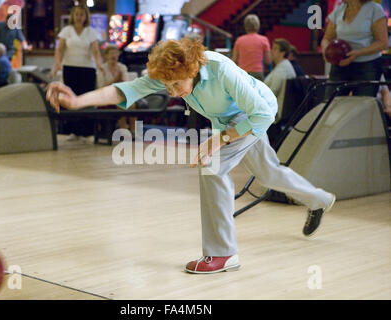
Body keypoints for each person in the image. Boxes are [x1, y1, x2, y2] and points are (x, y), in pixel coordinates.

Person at [46, 38, 336, 274]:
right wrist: (77, 100)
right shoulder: (172, 72)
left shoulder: (222, 70)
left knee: (212, 165)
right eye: (168, 86)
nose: (173, 91)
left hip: (254, 115)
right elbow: (127, 90)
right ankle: (320, 199)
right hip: (228, 122)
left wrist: (219, 139)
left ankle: (222, 254)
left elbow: (262, 116)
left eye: (176, 85)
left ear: (194, 68)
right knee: (268, 174)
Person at [53, 4, 105, 140]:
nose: (79, 17)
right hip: (70, 68)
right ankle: (71, 130)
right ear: (73, 16)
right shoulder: (66, 30)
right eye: (77, 14)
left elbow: (95, 50)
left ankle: (86, 131)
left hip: (87, 69)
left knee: (85, 98)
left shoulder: (91, 32)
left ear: (86, 17)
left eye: (82, 14)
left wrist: (99, 64)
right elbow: (60, 49)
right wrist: (57, 63)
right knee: (71, 98)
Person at [322, 0, 388, 98]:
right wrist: (326, 52)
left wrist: (358, 53)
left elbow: (383, 43)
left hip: (367, 67)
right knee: (330, 103)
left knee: (363, 106)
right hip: (340, 66)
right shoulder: (339, 10)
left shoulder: (375, 9)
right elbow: (327, 38)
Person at [97, 45, 136, 133]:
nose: (114, 56)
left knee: (131, 103)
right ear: (106, 55)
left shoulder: (122, 67)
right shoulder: (101, 69)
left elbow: (126, 84)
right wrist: (115, 80)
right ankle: (124, 129)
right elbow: (101, 87)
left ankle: (133, 131)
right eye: (111, 53)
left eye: (116, 53)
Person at [231, 14, 272, 81]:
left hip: (242, 73)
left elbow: (234, 59)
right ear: (258, 25)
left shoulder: (239, 40)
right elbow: (268, 61)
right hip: (257, 73)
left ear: (245, 26)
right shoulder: (264, 39)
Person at [264, 38, 297, 104]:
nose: (271, 51)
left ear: (283, 53)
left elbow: (273, 91)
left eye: (275, 49)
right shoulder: (283, 65)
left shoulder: (283, 68)